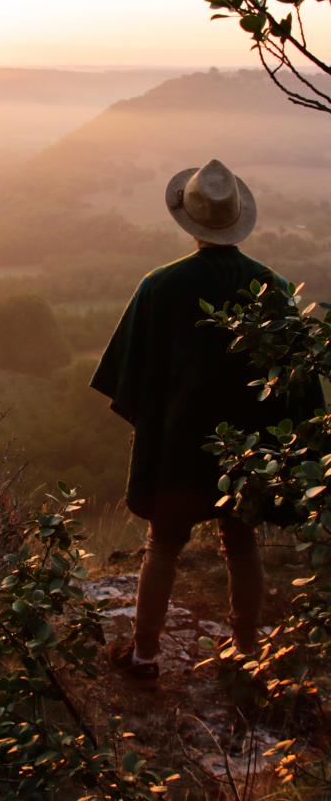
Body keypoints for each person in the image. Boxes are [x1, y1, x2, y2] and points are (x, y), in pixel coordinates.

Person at [90, 159, 324, 680]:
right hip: (249, 451)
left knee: (163, 547)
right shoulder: (274, 288)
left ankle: (145, 656)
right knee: (241, 545)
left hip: (177, 450)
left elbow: (128, 377)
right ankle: (247, 652)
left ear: (189, 221)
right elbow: (299, 386)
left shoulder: (160, 286)